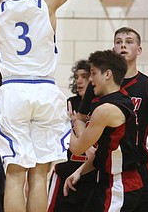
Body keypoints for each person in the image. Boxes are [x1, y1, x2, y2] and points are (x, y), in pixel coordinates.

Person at [0, 0, 83, 211]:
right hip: (45, 91)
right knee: (41, 173)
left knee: (15, 173)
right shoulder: (47, 2)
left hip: (13, 92)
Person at [74, 27, 148, 212]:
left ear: (139, 49)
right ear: (112, 49)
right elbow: (80, 119)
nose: (123, 45)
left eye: (129, 41)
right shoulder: (97, 85)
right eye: (118, 41)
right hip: (110, 168)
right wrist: (87, 145)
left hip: (142, 165)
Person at [64, 50, 143, 212]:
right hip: (111, 181)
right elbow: (108, 151)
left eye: (93, 74)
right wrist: (80, 171)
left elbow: (78, 147)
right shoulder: (122, 99)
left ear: (108, 75)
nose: (90, 80)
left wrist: (62, 123)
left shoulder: (106, 110)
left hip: (119, 185)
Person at [47, 59, 97, 212]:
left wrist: (77, 124)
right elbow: (51, 141)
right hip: (65, 173)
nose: (79, 81)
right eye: (77, 77)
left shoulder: (103, 107)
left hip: (92, 177)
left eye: (84, 76)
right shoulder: (67, 104)